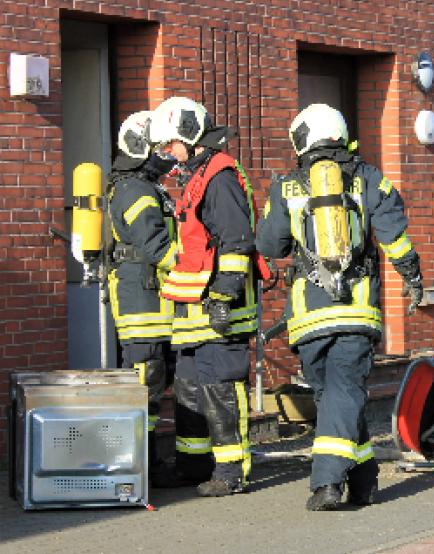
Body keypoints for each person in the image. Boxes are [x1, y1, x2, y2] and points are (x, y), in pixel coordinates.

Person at [255, 103, 423, 511]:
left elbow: (269, 245)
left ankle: (338, 482)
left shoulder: (287, 186)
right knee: (343, 396)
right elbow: (395, 238)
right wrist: (413, 278)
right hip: (357, 309)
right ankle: (346, 481)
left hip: (309, 314)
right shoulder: (370, 180)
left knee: (335, 395)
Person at [149, 96, 270, 497]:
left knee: (220, 388)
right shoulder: (196, 177)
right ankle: (193, 465)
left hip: (220, 311)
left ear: (187, 135)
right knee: (188, 389)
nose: (167, 153)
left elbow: (236, 242)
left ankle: (231, 472)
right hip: (192, 313)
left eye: (170, 144)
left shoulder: (219, 176)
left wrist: (223, 297)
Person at [106, 110, 180, 487]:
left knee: (155, 385)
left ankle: (147, 465)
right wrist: (190, 269)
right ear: (141, 148)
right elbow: (155, 244)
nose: (166, 153)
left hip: (153, 301)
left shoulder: (148, 186)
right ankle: (139, 468)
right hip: (141, 305)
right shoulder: (135, 190)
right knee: (144, 387)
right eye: (159, 146)